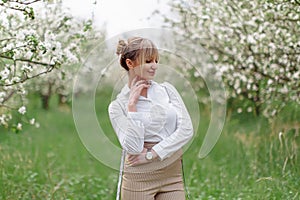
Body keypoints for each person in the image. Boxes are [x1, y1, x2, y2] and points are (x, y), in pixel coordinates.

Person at [108, 37, 193, 200]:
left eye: (156, 60)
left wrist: (152, 154)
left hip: (172, 174)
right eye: (148, 61)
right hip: (139, 178)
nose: (154, 65)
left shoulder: (168, 91)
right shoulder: (118, 106)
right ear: (130, 63)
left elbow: (186, 130)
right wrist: (132, 107)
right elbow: (133, 148)